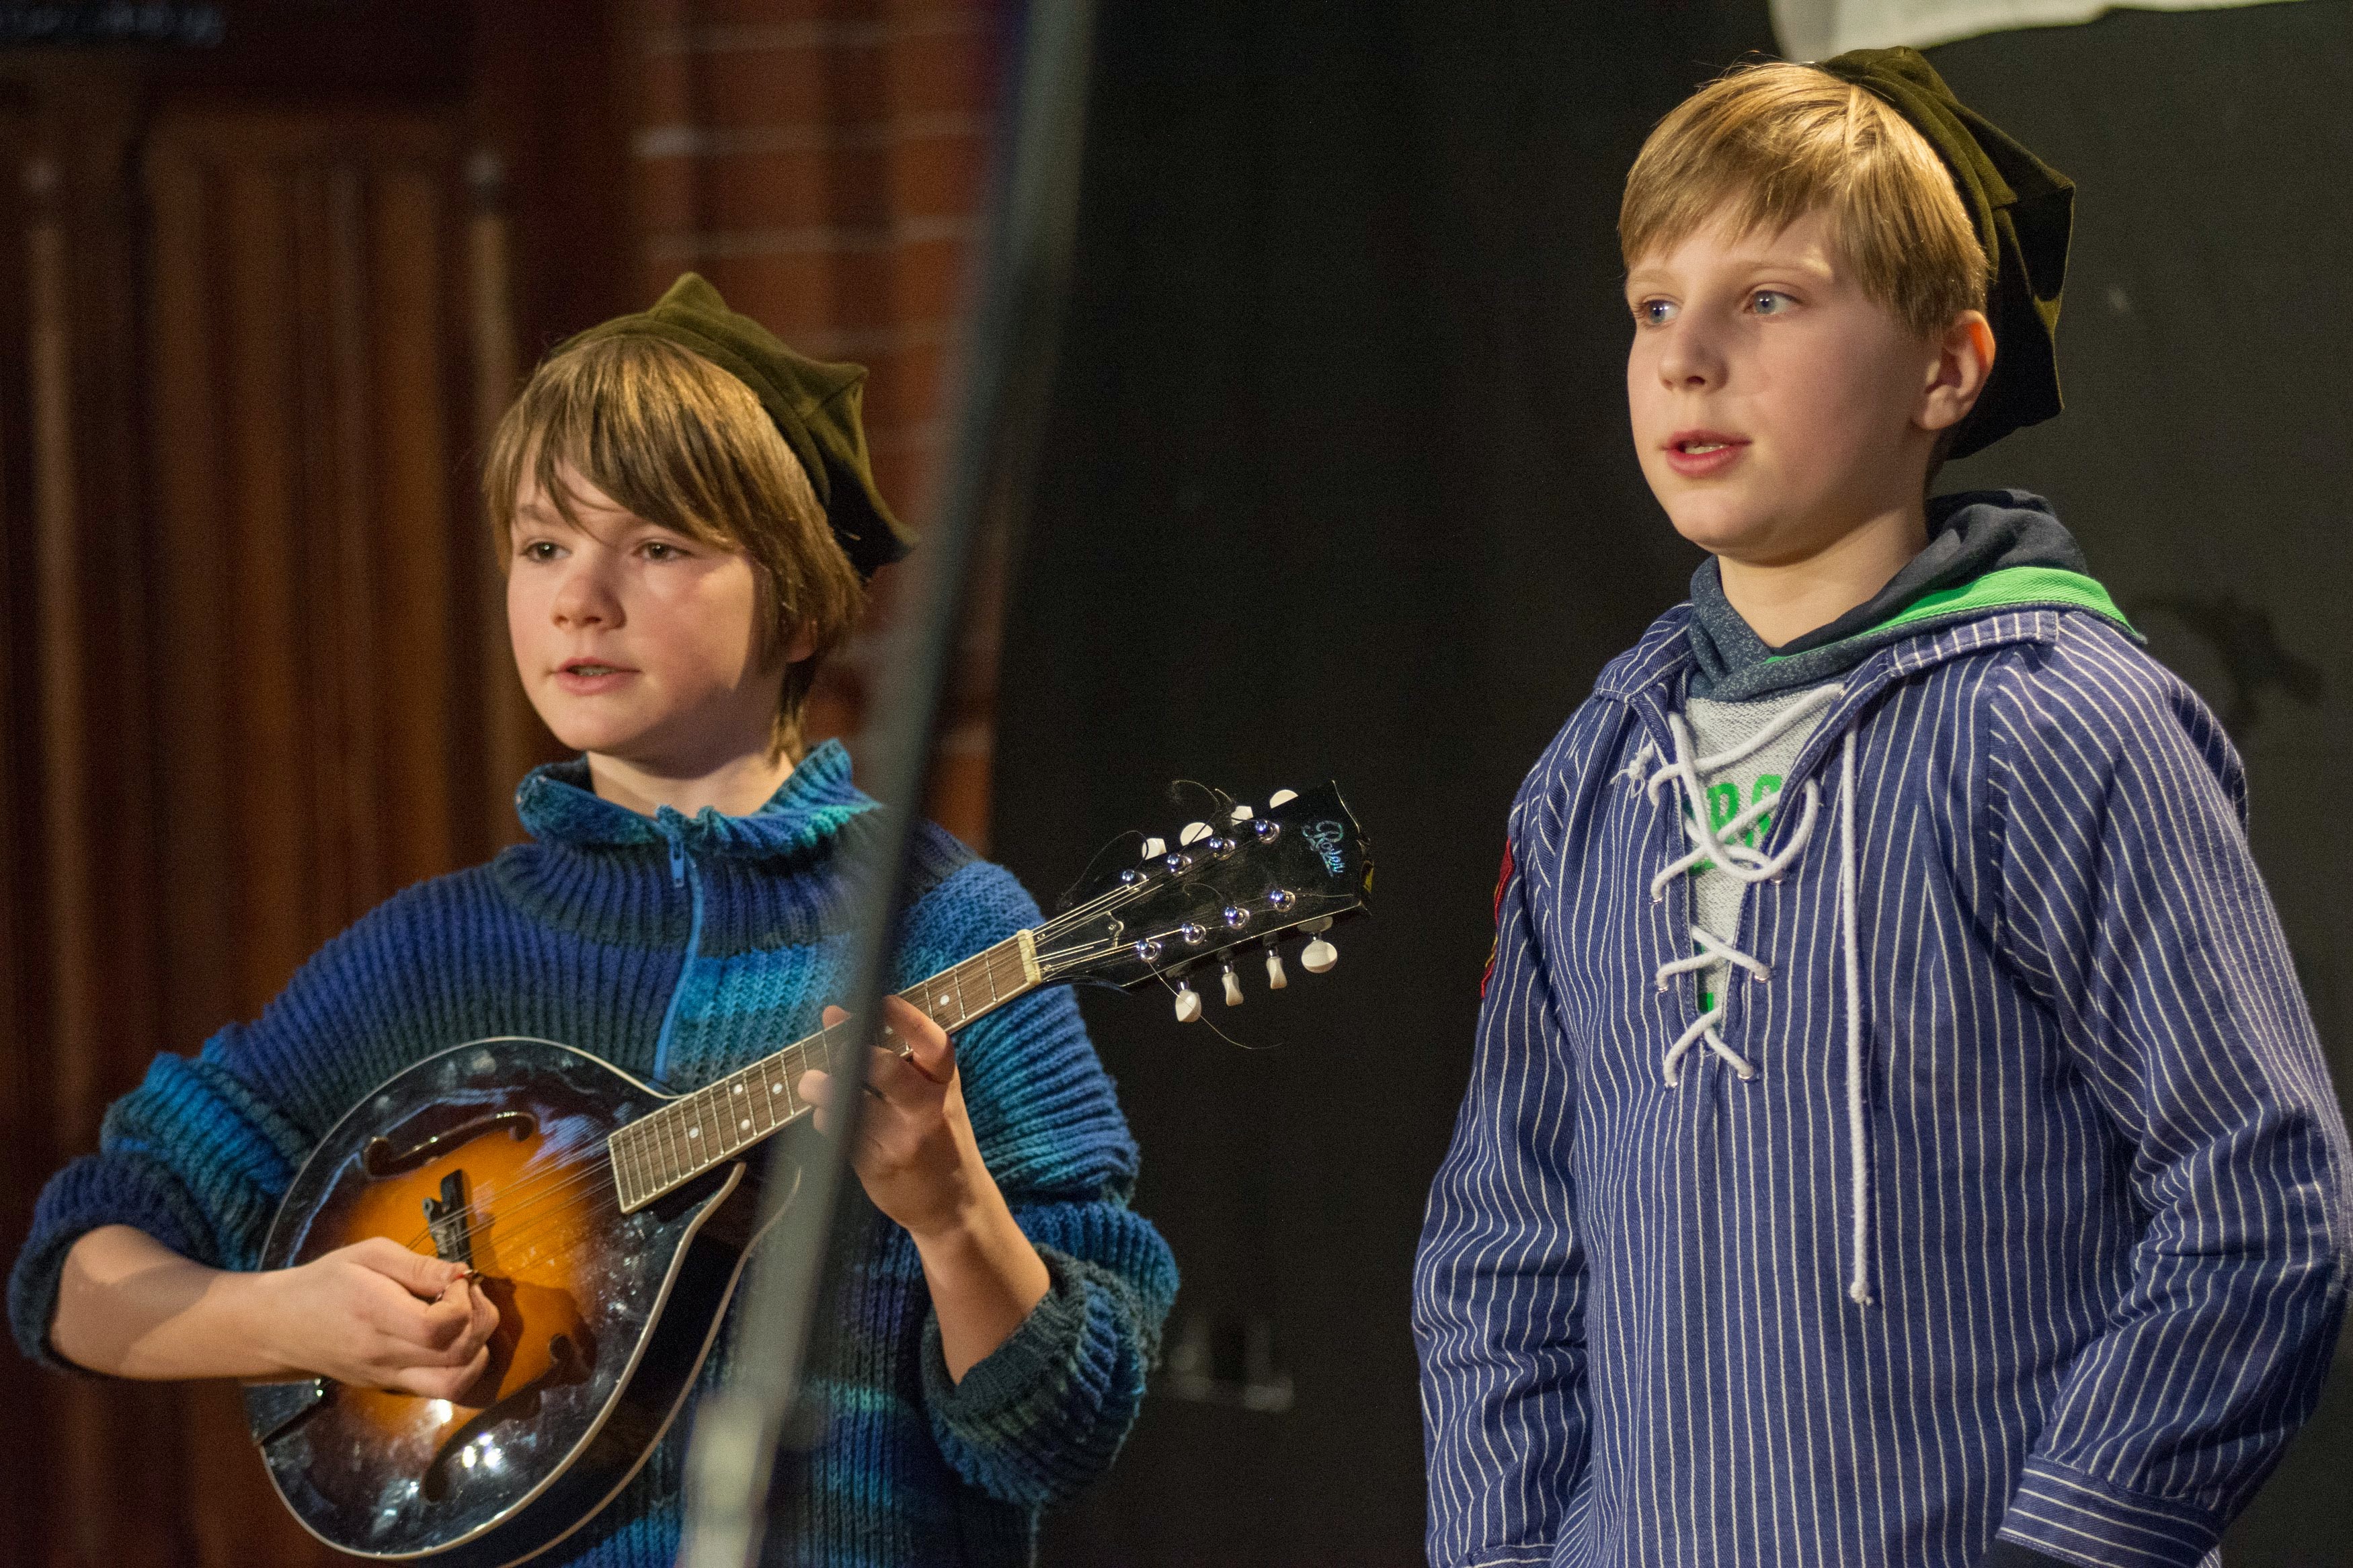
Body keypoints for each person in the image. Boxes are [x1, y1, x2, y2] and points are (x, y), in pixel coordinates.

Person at [7, 274, 1178, 1566]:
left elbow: (1064, 1434)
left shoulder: (949, 926)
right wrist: (289, 1318)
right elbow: (73, 1276)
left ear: (799, 604)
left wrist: (953, 1217)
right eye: (543, 546)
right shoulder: (437, 955)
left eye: (657, 548)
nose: (581, 598)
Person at [1413, 50, 2350, 1568]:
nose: (1686, 357)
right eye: (1653, 305)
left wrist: (2070, 1546)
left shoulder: (2058, 724)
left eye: (1768, 298)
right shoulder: (1591, 778)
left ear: (1946, 369)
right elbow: (1503, 1247)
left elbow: (2255, 1199)